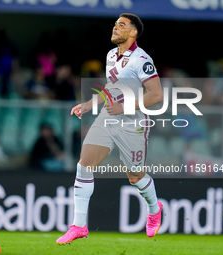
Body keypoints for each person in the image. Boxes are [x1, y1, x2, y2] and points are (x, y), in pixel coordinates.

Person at [56, 13, 163, 244]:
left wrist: (124, 107)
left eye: (121, 25)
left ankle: (154, 209)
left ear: (133, 32)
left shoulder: (141, 59)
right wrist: (88, 104)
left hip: (133, 122)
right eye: (115, 24)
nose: (115, 28)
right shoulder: (111, 55)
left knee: (135, 176)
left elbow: (156, 94)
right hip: (108, 116)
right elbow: (110, 88)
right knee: (84, 164)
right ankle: (79, 225)